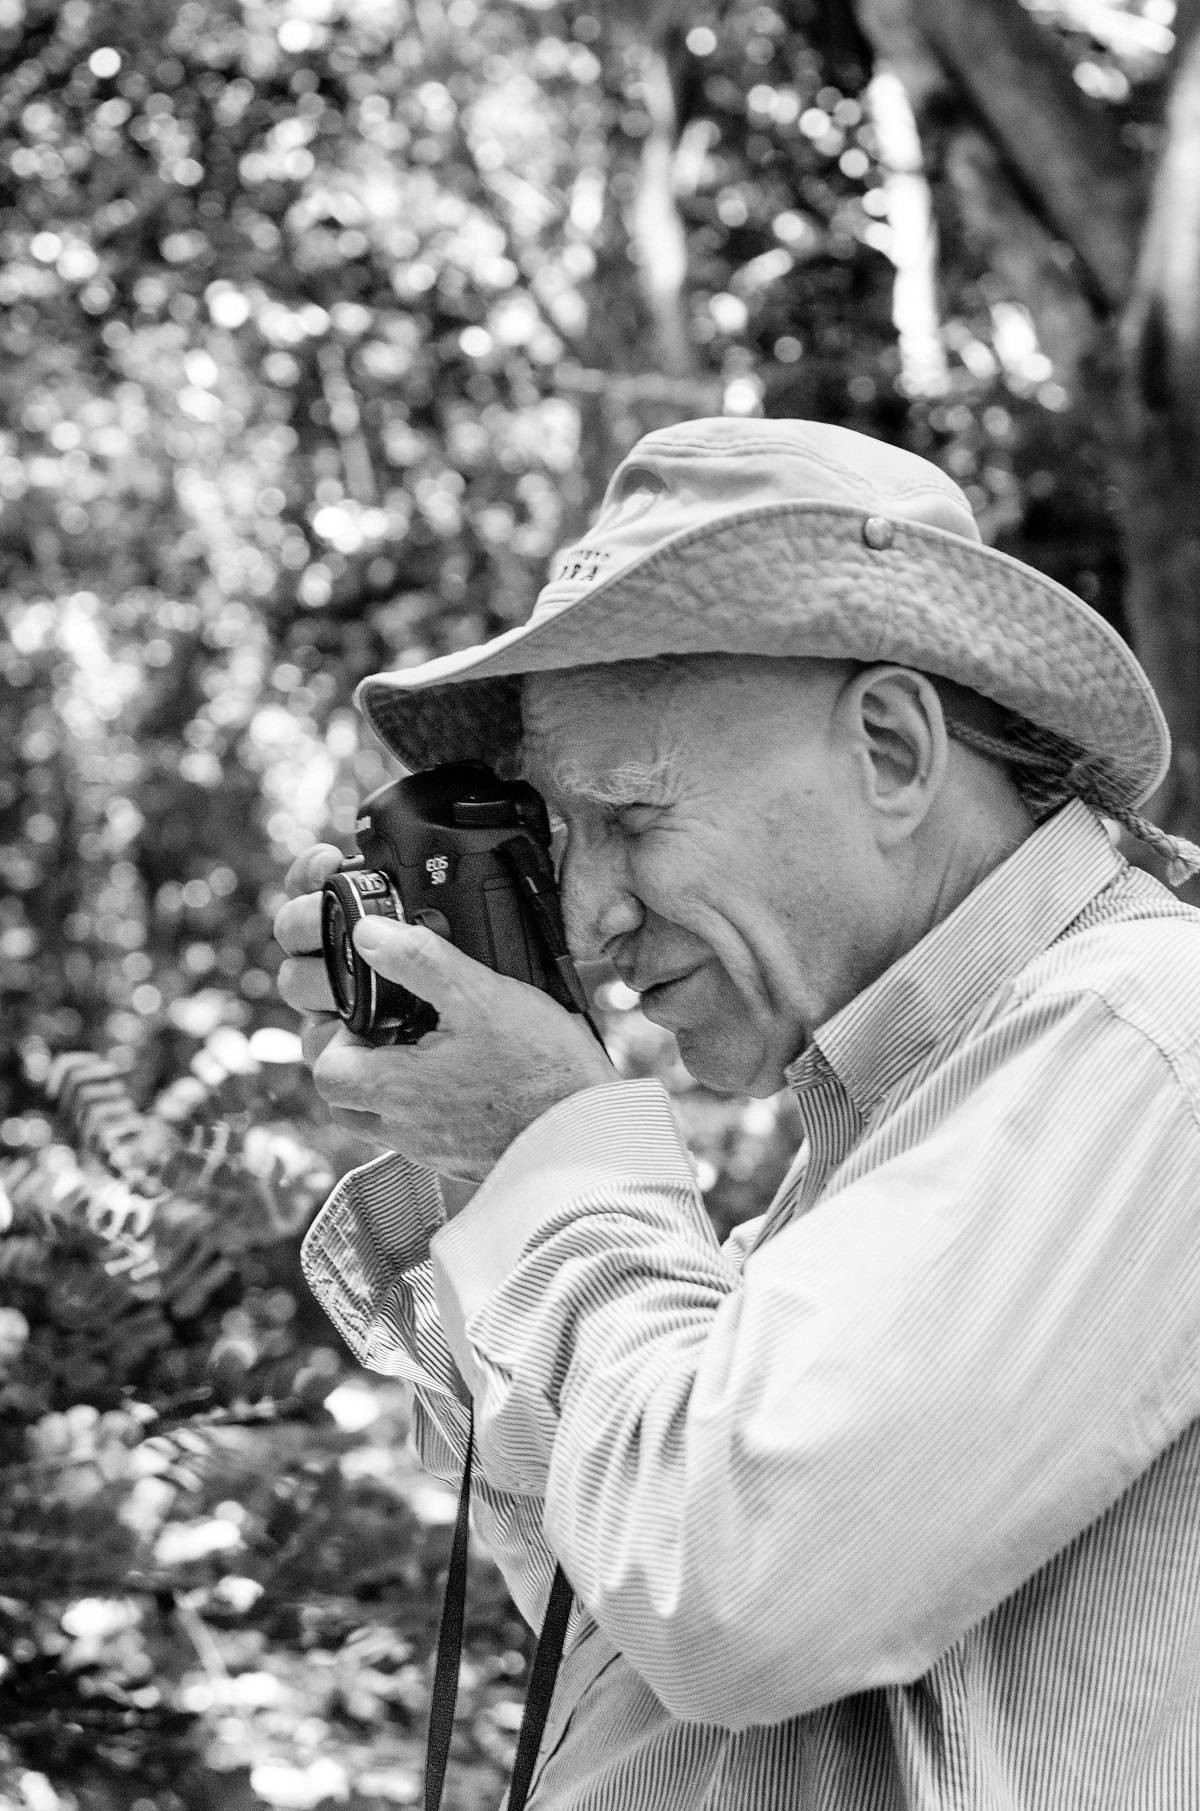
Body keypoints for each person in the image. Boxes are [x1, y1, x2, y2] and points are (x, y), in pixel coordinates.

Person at [274, 417, 1200, 1810]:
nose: (588, 920)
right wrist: (482, 1162)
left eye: (634, 815)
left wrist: (547, 1141)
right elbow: (622, 1612)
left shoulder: (1140, 1031)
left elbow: (729, 1588)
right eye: (563, 841)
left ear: (891, 747)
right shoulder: (896, 1122)